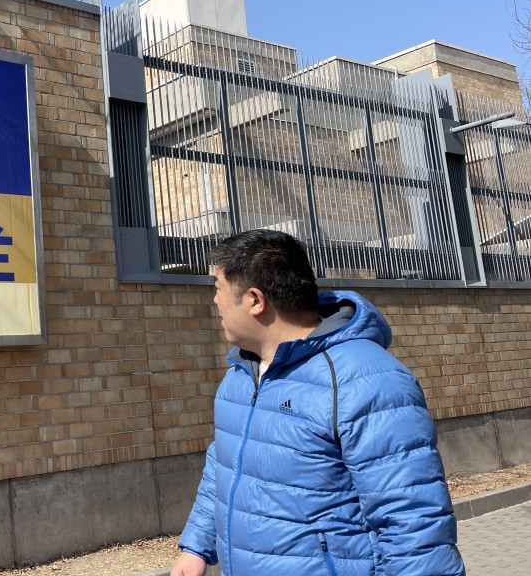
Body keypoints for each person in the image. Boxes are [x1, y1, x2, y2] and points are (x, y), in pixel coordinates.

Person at [171, 229, 465, 576]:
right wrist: (196, 547)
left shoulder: (366, 380)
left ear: (254, 300)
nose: (215, 301)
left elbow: (412, 524)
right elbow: (226, 463)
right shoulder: (241, 372)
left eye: (218, 289)